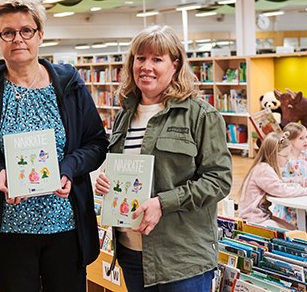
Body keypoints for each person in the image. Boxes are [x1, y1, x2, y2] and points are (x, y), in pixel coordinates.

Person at [0, 0, 108, 291]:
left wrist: (68, 168)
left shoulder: (70, 84)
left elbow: (97, 143)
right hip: (9, 231)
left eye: (26, 31)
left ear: (40, 35)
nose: (18, 39)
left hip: (66, 227)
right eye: (7, 32)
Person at [93, 25, 232, 291]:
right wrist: (106, 184)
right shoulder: (125, 115)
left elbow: (219, 180)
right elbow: (125, 171)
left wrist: (163, 203)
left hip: (180, 257)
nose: (146, 66)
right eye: (140, 58)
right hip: (132, 253)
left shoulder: (200, 115)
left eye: (157, 59)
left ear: (175, 65)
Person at [238, 132, 307, 230]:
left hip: (260, 218)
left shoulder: (264, 167)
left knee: (295, 230)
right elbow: (282, 190)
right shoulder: (263, 170)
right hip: (255, 221)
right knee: (295, 234)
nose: (288, 159)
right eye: (285, 156)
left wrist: (296, 181)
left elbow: (278, 182)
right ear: (273, 154)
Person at [271, 123, 307, 235]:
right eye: (301, 138)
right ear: (290, 140)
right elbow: (279, 180)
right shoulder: (283, 157)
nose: (305, 141)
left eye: (306, 137)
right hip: (289, 202)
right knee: (296, 232)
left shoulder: (306, 155)